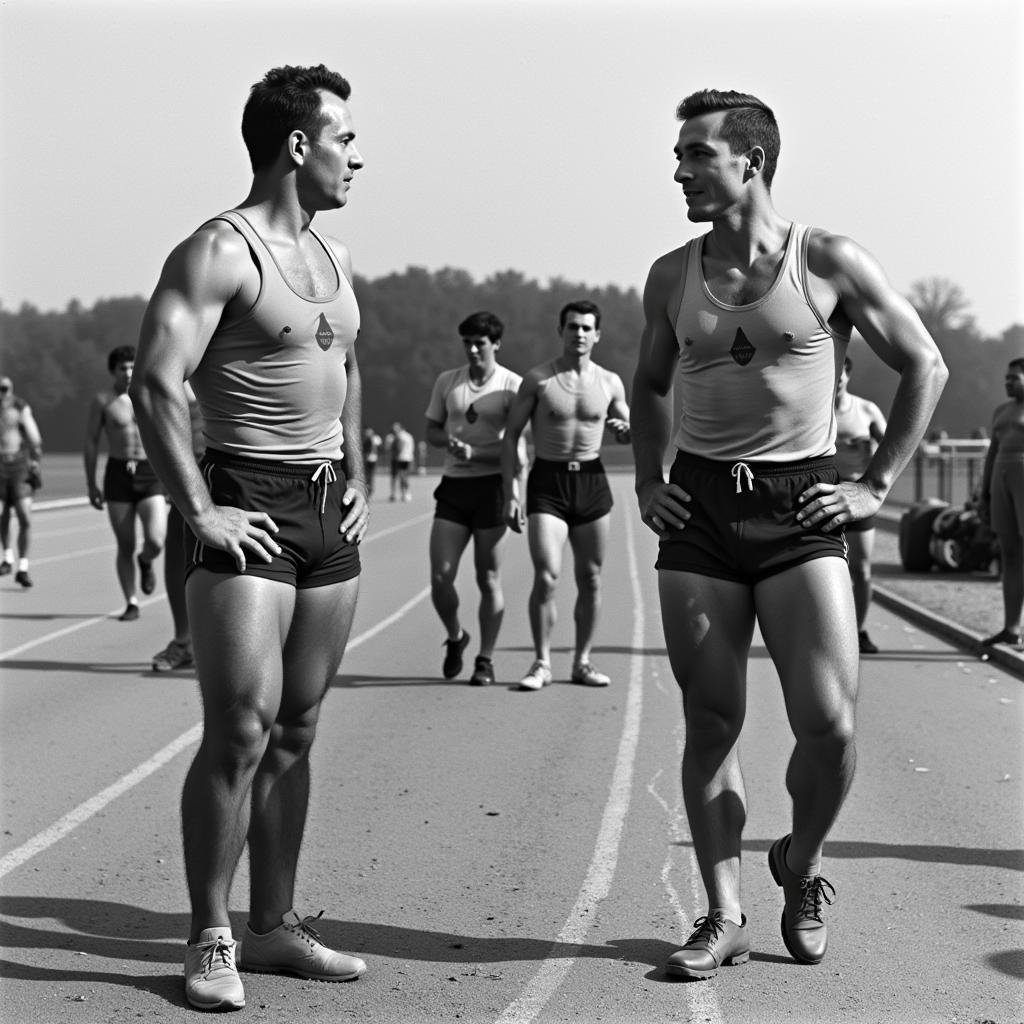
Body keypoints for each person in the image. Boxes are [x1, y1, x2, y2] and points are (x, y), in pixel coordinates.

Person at [630, 89, 946, 979]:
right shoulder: (670, 275)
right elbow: (649, 383)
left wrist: (876, 483)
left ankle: (800, 863)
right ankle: (723, 912)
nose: (681, 171)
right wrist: (652, 481)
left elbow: (925, 363)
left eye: (697, 154)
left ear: (751, 162)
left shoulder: (828, 261)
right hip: (700, 515)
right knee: (712, 721)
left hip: (801, 508)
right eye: (681, 155)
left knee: (832, 727)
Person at [130, 63, 370, 1011]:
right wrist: (197, 512)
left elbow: (343, 366)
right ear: (298, 145)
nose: (360, 154)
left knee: (297, 729)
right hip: (243, 500)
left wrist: (348, 474)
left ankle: (273, 926)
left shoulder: (339, 258)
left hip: (322, 511)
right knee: (240, 725)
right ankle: (212, 936)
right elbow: (155, 380)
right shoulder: (216, 250)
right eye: (346, 138)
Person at [502, 299, 631, 691]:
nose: (579, 333)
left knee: (590, 577)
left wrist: (624, 430)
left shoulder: (609, 382)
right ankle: (541, 662)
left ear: (597, 335)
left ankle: (582, 661)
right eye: (572, 327)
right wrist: (511, 491)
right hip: (548, 481)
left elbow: (627, 424)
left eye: (586, 328)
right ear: (561, 332)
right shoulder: (539, 380)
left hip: (591, 480)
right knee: (547, 574)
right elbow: (511, 437)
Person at [424, 310, 524, 685]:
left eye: (479, 343)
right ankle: (456, 637)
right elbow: (431, 430)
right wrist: (446, 442)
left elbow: (518, 450)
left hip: (492, 488)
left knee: (488, 578)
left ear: (495, 344)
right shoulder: (448, 382)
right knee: (440, 576)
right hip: (454, 487)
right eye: (466, 342)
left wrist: (514, 495)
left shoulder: (512, 386)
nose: (472, 349)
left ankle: (485, 659)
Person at [84, 346, 168, 621]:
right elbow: (91, 442)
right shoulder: (103, 401)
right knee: (125, 543)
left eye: (133, 366)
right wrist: (91, 483)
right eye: (123, 368)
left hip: (149, 472)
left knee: (156, 539)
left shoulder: (148, 395)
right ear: (113, 371)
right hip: (118, 474)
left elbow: (167, 434)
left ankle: (146, 560)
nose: (129, 372)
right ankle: (131, 602)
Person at [834, 356, 887, 654]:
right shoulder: (815, 409)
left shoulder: (866, 410)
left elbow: (894, 445)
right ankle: (830, 633)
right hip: (823, 496)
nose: (836, 379)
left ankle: (859, 631)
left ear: (848, 375)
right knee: (825, 568)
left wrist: (875, 480)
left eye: (840, 373)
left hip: (857, 496)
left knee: (861, 569)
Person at [151, 382, 205, 672]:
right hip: (188, 473)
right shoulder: (180, 359)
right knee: (177, 550)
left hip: (234, 467)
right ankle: (183, 642)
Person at [978, 358, 1024, 647]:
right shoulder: (1001, 411)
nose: (1007, 382)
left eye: (1014, 378)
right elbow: (992, 454)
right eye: (1006, 378)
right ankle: (1011, 627)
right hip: (1001, 479)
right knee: (1009, 554)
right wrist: (984, 493)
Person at [0, 376, 43, 587]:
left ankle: (23, 567)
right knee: (2, 513)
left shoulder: (19, 407)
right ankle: (7, 557)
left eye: (5, 389)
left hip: (18, 466)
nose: (2, 393)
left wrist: (35, 461)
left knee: (25, 515)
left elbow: (35, 438)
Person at [386, 420, 415, 501]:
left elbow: (397, 448)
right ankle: (402, 493)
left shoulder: (399, 437)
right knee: (400, 477)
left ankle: (404, 493)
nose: (394, 429)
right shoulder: (408, 436)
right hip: (405, 458)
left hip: (401, 459)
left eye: (396, 428)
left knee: (402, 477)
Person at [362, 426, 382, 498]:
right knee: (367, 476)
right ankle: (368, 490)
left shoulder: (376, 439)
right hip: (367, 460)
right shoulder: (366, 440)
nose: (367, 433)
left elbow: (380, 448)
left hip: (373, 460)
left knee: (370, 476)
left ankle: (370, 490)